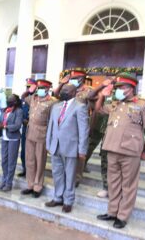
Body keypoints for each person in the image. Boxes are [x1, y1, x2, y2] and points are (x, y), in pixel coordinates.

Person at [95, 72, 145, 229]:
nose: (118, 90)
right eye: (117, 87)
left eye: (122, 87)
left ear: (131, 88)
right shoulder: (115, 104)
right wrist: (102, 95)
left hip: (130, 152)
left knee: (128, 185)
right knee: (113, 183)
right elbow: (98, 109)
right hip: (112, 149)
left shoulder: (142, 104)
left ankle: (123, 216)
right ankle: (112, 212)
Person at [45, 84, 89, 213]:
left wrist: (82, 150)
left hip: (71, 147)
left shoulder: (80, 107)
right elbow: (51, 126)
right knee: (57, 173)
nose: (62, 92)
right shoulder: (56, 106)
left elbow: (83, 130)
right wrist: (48, 144)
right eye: (62, 90)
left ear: (74, 92)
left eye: (66, 90)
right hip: (55, 146)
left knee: (70, 175)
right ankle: (58, 197)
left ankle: (68, 201)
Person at [54, 69, 94, 187]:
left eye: (75, 78)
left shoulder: (88, 90)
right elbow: (56, 94)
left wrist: (91, 125)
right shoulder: (68, 89)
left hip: (79, 125)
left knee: (78, 153)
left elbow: (93, 106)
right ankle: (67, 176)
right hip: (67, 125)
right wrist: (62, 83)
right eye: (72, 78)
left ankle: (76, 178)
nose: (73, 80)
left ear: (82, 79)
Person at [21, 79, 58, 198]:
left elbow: (54, 119)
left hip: (42, 134)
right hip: (30, 133)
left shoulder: (52, 102)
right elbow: (23, 97)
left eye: (42, 88)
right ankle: (30, 185)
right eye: (38, 88)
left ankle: (38, 186)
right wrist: (29, 90)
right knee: (30, 160)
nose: (39, 90)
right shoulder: (33, 98)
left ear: (47, 89)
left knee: (40, 161)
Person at [0, 94, 23, 192]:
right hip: (4, 138)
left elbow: (17, 125)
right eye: (8, 99)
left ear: (16, 101)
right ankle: (4, 181)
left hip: (13, 138)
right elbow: (0, 121)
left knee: (11, 161)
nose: (9, 100)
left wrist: (4, 127)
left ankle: (9, 183)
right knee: (4, 161)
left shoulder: (19, 111)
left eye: (11, 99)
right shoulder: (5, 110)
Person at [17, 78, 36, 178]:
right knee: (24, 150)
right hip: (24, 129)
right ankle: (25, 169)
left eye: (30, 86)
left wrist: (28, 121)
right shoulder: (25, 99)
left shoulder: (36, 98)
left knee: (31, 152)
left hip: (33, 128)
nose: (28, 88)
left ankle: (31, 171)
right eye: (27, 87)